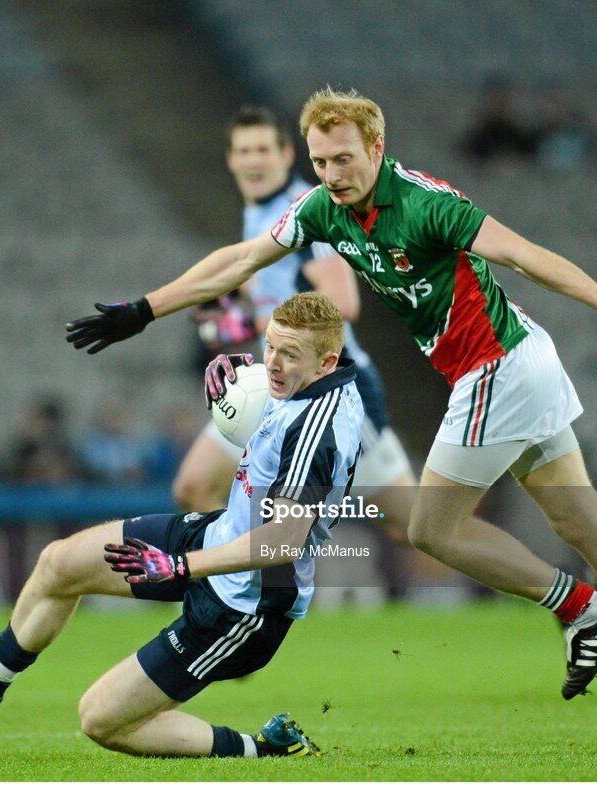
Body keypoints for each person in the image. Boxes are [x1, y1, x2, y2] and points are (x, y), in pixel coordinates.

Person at [63, 87, 597, 750]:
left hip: (498, 367)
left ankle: (582, 608)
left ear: (378, 148)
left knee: (432, 529)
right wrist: (145, 309)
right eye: (320, 162)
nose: (331, 175)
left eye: (344, 160)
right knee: (581, 519)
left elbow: (517, 252)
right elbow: (239, 260)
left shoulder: (427, 202)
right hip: (518, 363)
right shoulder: (324, 208)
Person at [0, 293, 361, 759]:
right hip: (218, 536)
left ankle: (265, 750)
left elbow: (282, 542)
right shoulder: (308, 383)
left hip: (247, 601)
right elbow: (266, 440)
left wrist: (180, 565)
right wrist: (235, 400)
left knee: (101, 720)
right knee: (59, 564)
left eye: (289, 355)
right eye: (271, 347)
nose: (273, 363)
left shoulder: (319, 429)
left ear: (327, 362)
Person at [173, 106, 415, 547]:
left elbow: (343, 302)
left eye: (263, 149)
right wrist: (236, 310)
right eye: (244, 150)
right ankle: (227, 601)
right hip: (282, 384)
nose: (254, 160)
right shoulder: (260, 215)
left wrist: (250, 320)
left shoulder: (309, 208)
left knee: (415, 528)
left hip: (335, 386)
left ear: (287, 155)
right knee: (195, 487)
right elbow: (278, 289)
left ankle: (549, 591)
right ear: (230, 159)